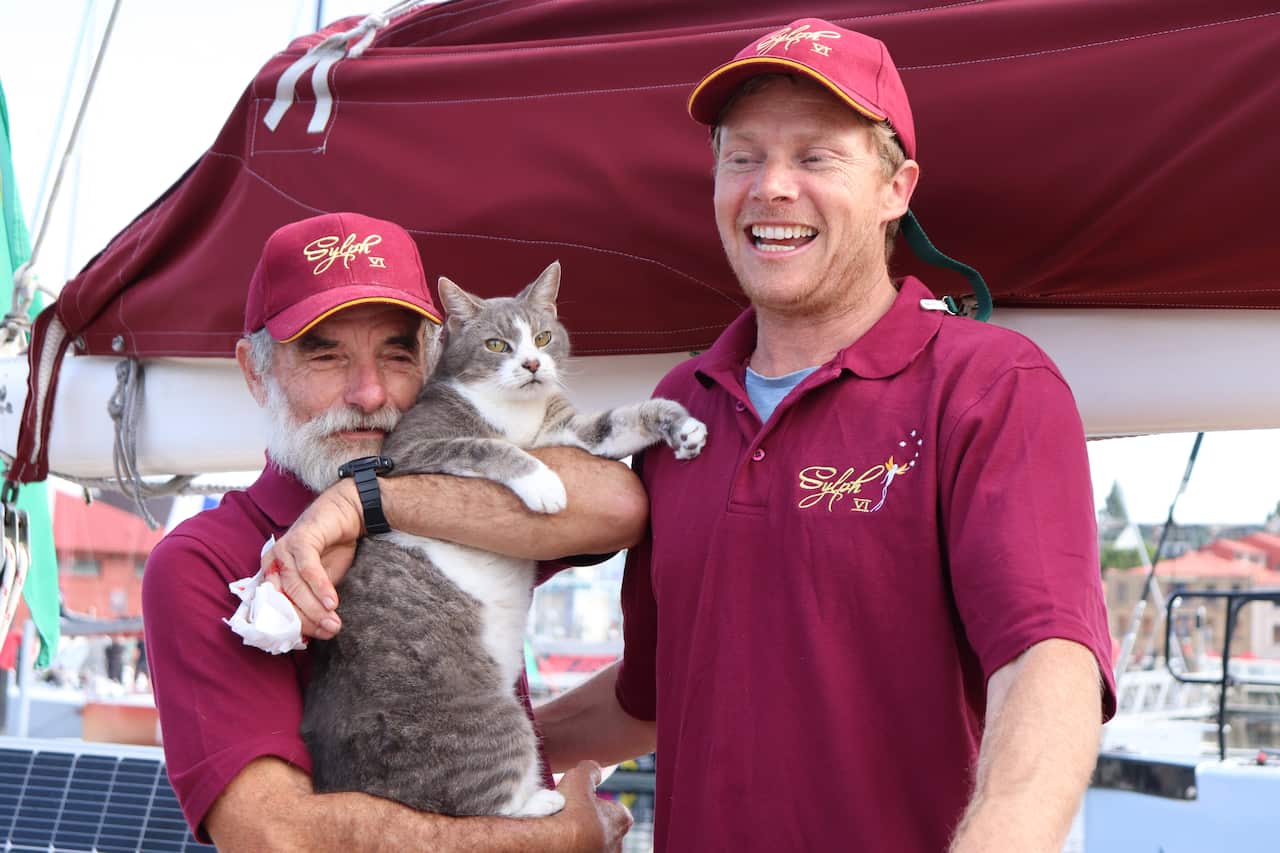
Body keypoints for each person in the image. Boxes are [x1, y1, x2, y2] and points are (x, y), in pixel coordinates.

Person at [272, 19, 1117, 852]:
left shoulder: (992, 386)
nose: (772, 186)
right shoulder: (684, 404)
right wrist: (411, 787)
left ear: (897, 189)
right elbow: (651, 697)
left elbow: (1049, 661)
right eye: (743, 156)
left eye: (815, 156)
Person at [142, 211, 639, 851]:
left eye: (398, 353)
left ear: (432, 360)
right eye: (325, 355)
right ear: (254, 370)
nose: (371, 393)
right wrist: (554, 838)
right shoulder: (202, 561)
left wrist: (364, 503)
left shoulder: (457, 486)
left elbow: (619, 502)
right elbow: (272, 836)